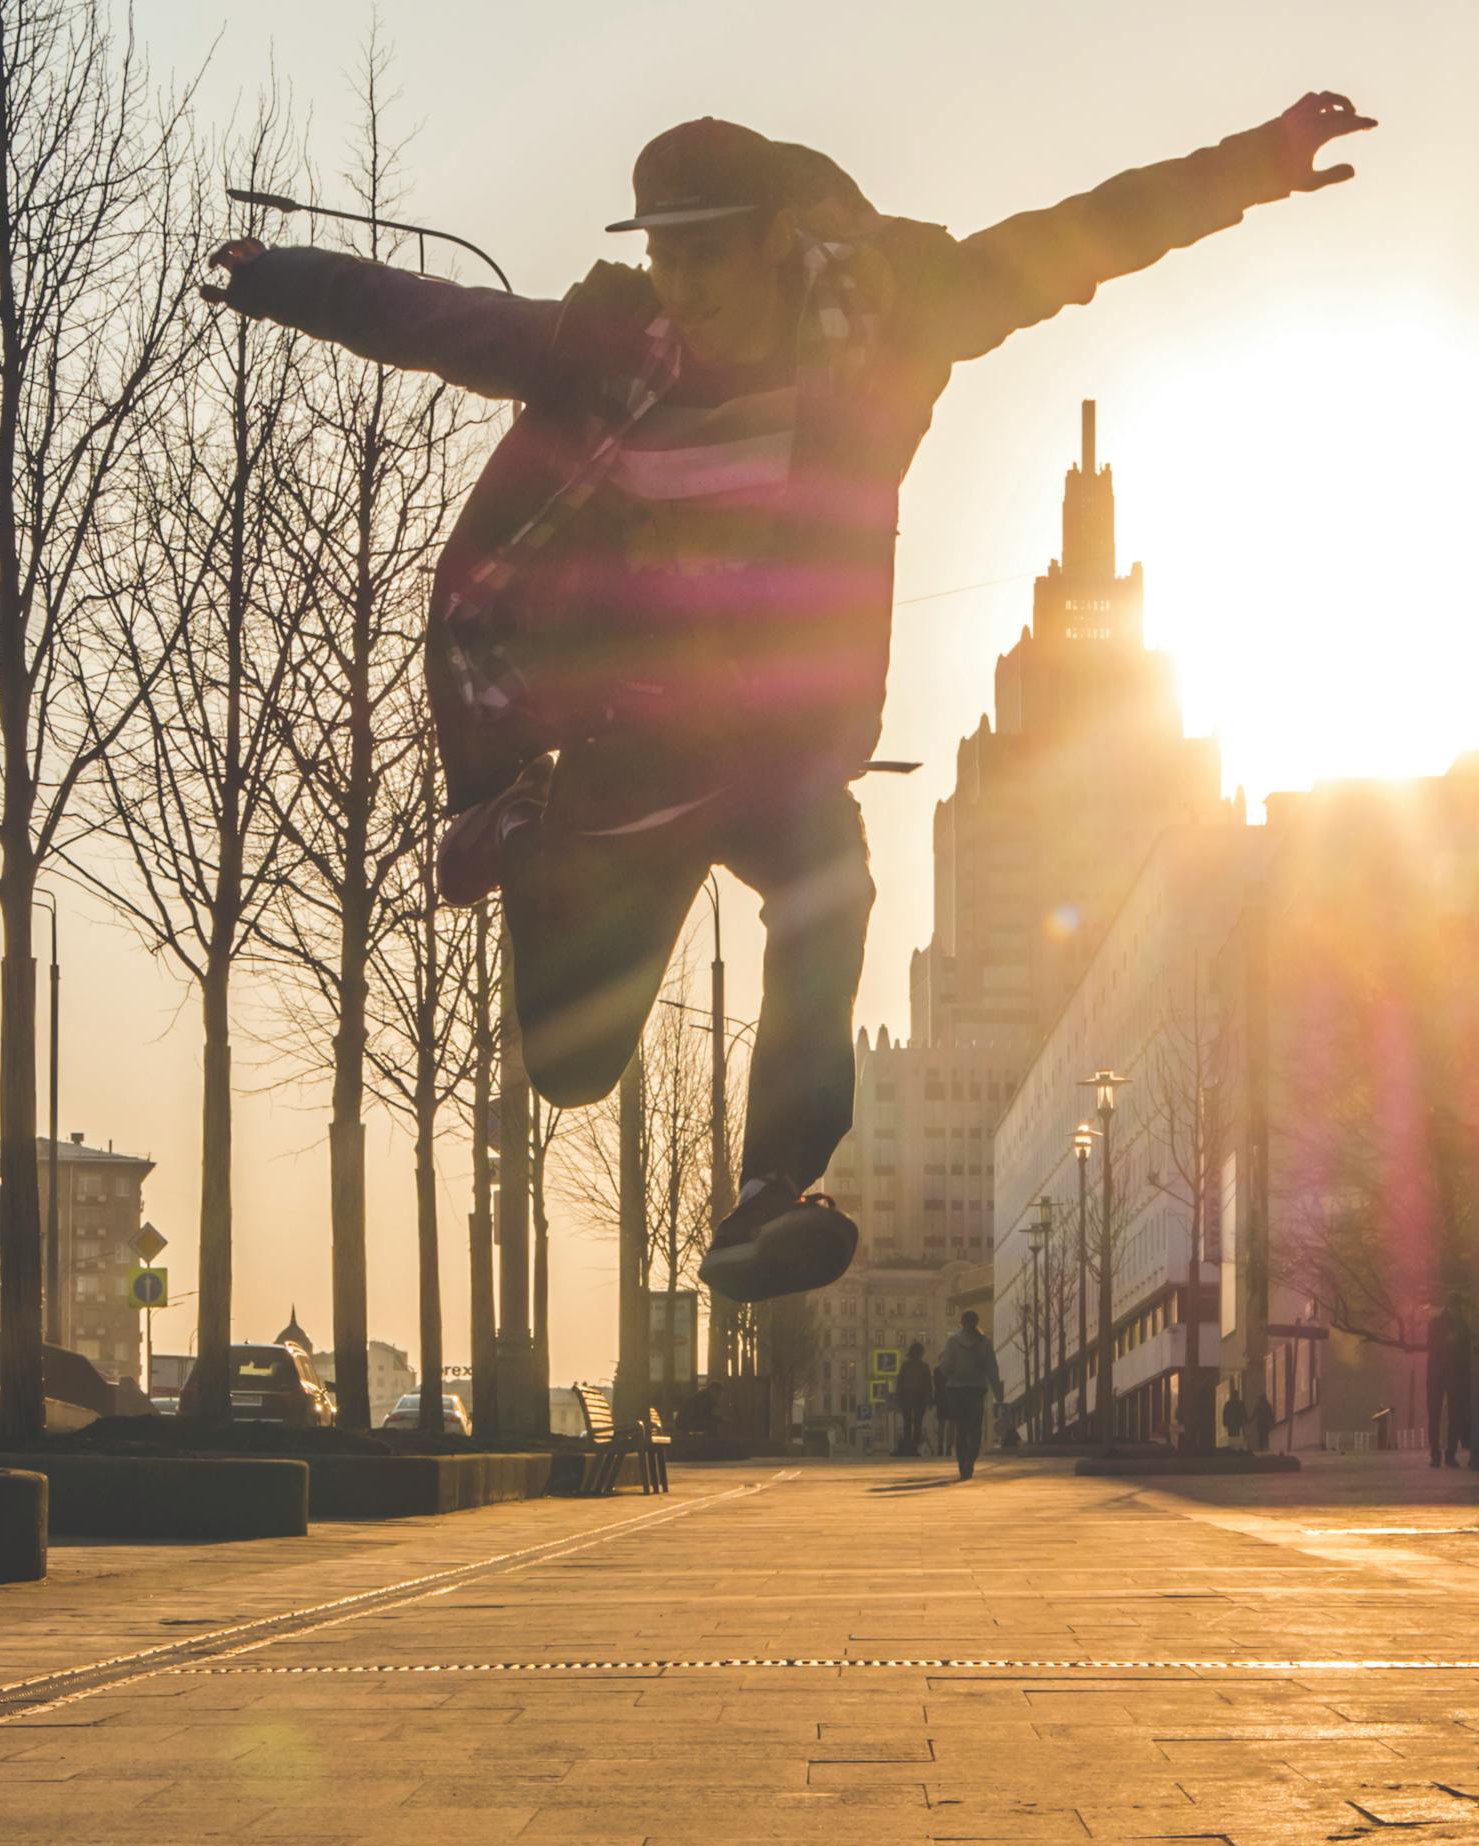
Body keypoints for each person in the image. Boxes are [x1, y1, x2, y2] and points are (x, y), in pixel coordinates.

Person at [209, 96, 1378, 1305]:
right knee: (567, 1069)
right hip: (634, 740)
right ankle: (526, 832)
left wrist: (1259, 164)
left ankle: (770, 1189)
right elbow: (433, 318)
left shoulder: (887, 329)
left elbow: (1072, 243)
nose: (682, 283)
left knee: (833, 885)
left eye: (705, 251)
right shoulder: (610, 349)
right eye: (663, 253)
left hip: (776, 748)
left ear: (774, 240)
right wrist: (276, 276)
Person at [935, 1311, 1001, 1479]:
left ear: (961, 1323)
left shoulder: (953, 1342)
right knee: (975, 1428)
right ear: (976, 1322)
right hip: (976, 1391)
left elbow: (945, 1366)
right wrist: (998, 1390)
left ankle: (962, 1463)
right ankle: (970, 1461)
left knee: (961, 1429)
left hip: (956, 1391)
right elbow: (992, 1368)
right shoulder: (985, 1342)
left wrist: (950, 1374)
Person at [1423, 1297, 1475, 1468]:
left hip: (1440, 1373)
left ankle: (1439, 1455)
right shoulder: (1459, 1324)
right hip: (1450, 1373)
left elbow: (1432, 1347)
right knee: (1448, 1415)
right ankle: (1445, 1454)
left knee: (1441, 1415)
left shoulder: (1440, 1323)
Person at [892, 1340, 935, 1456]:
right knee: (917, 1423)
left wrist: (898, 1399)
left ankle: (908, 1447)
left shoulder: (905, 1366)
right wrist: (930, 1399)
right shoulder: (924, 1366)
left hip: (907, 1396)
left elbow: (899, 1384)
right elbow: (928, 1385)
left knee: (908, 1422)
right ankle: (914, 1448)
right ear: (920, 1354)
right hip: (919, 1397)